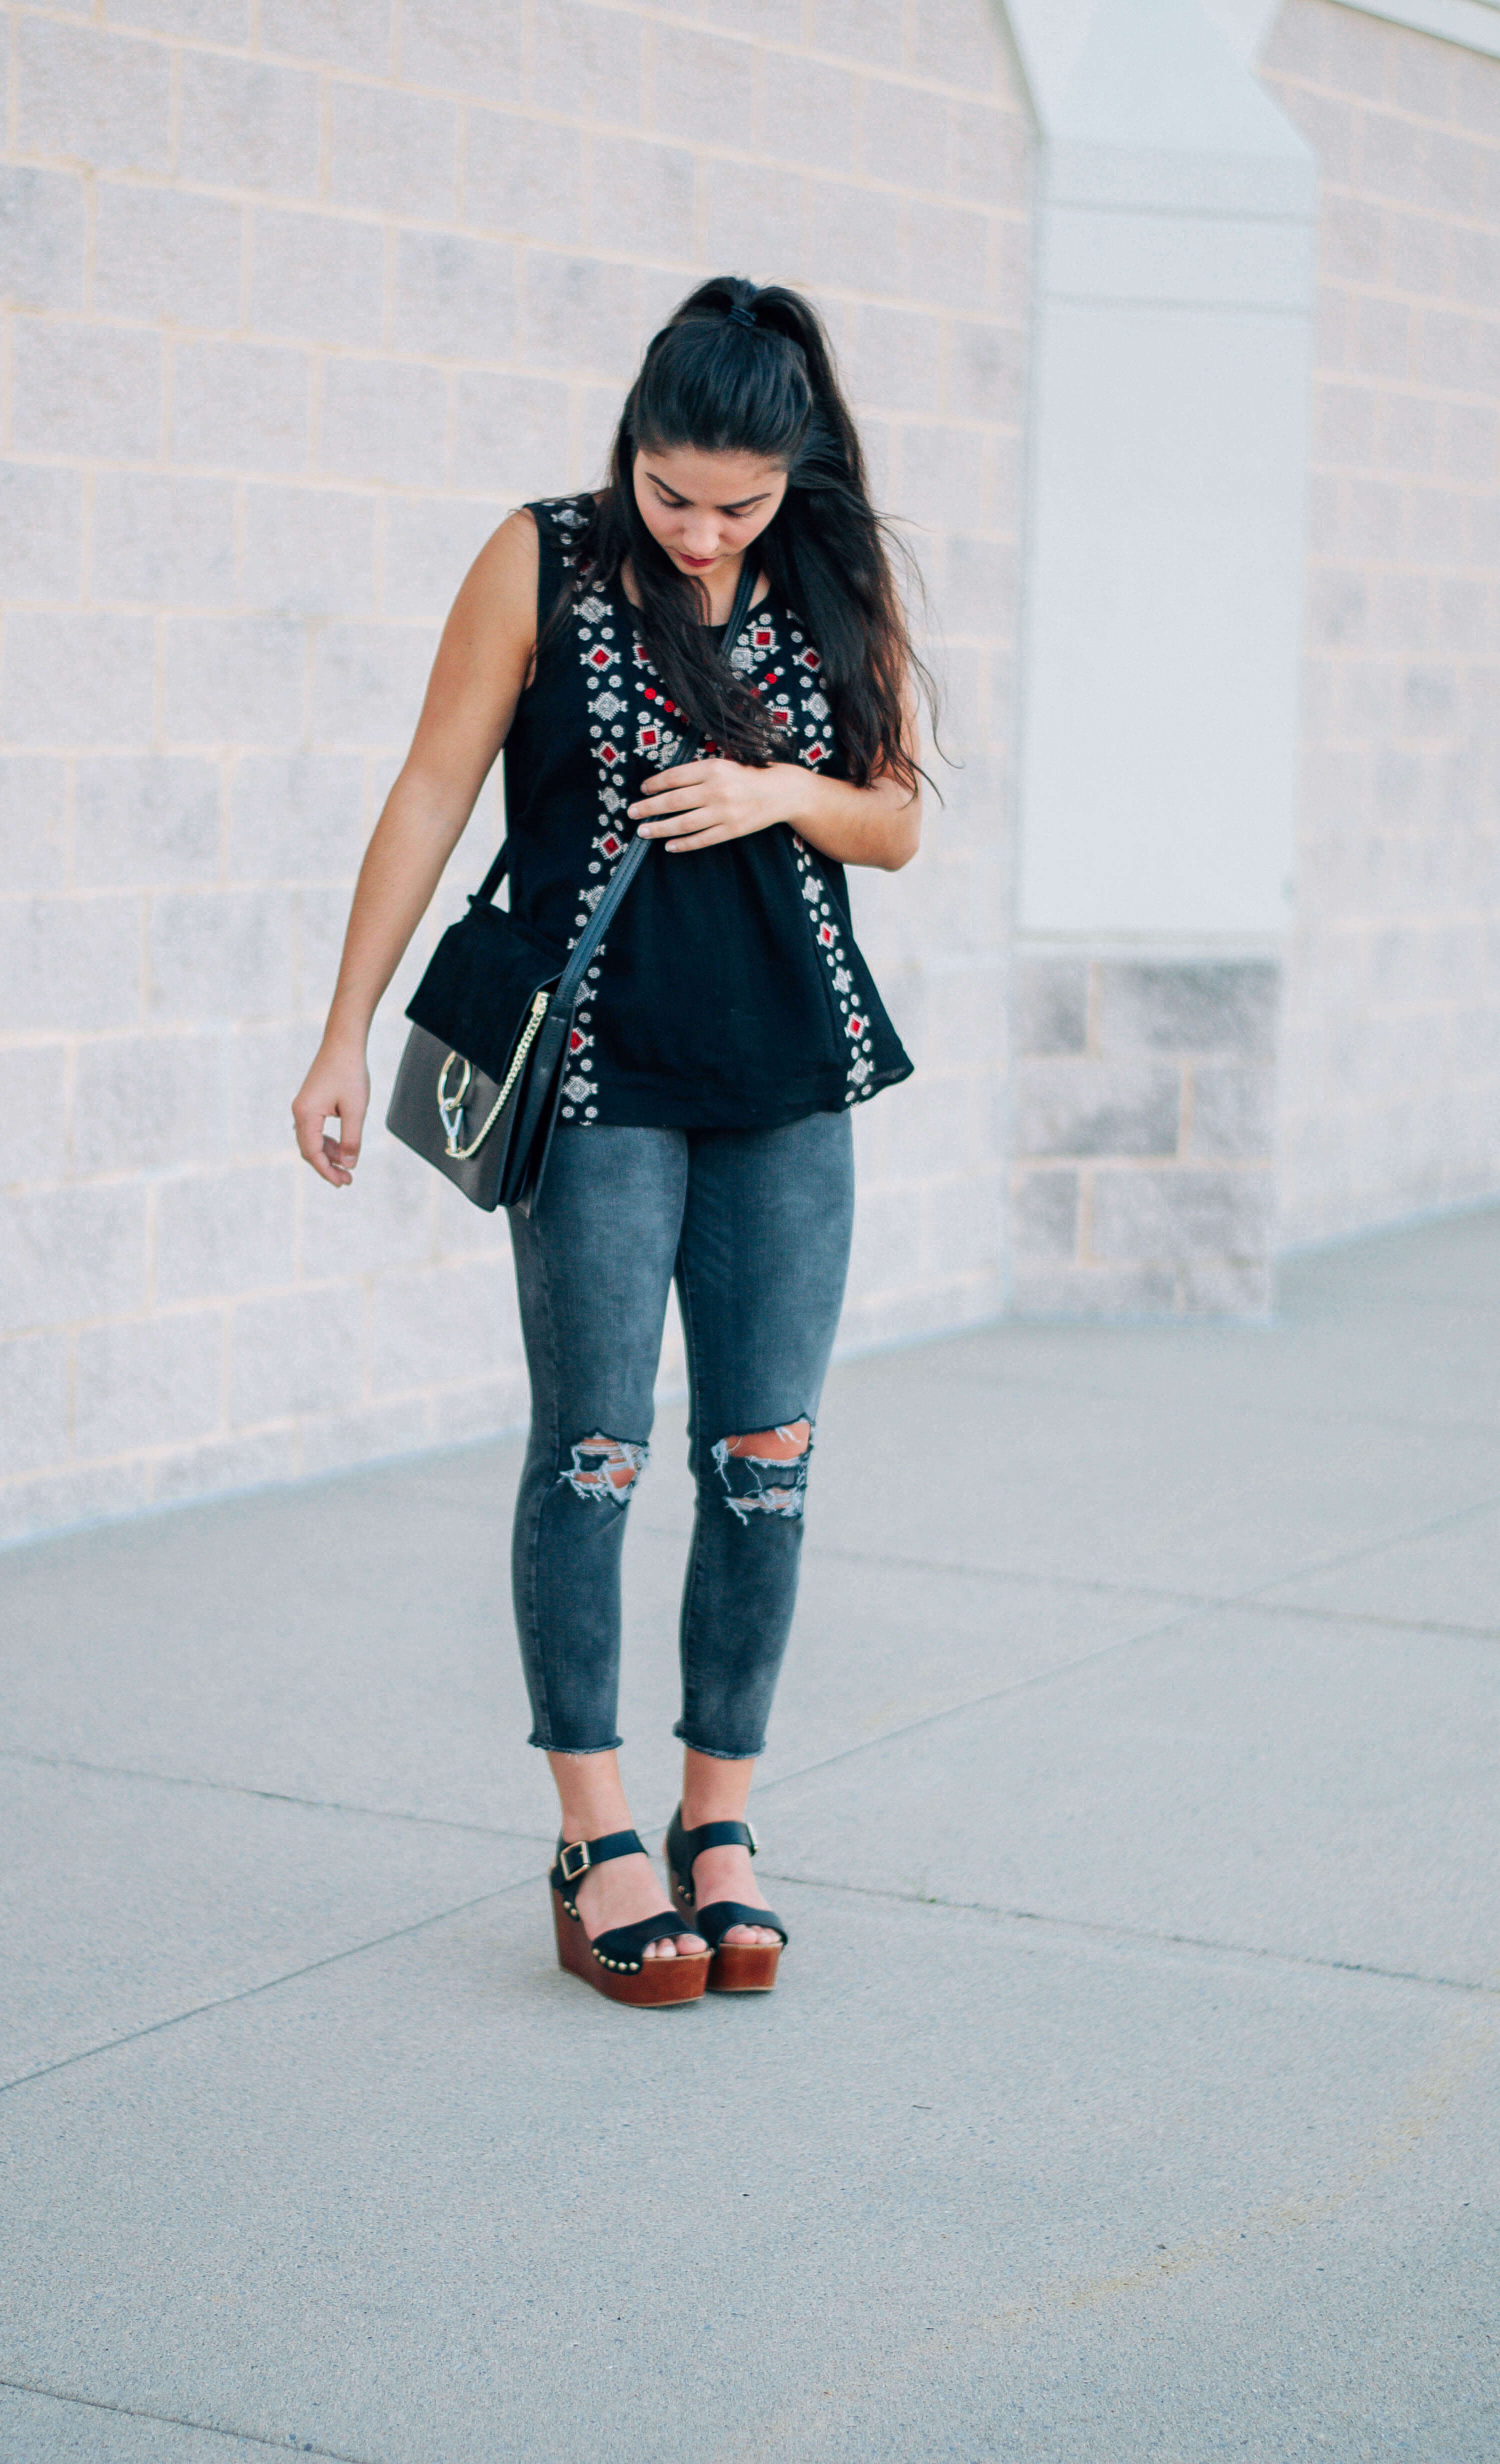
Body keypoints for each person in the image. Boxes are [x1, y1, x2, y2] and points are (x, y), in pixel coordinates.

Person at [294, 276, 926, 2008]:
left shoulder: (826, 571)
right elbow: (432, 788)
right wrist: (343, 1031)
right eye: (676, 496)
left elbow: (898, 820)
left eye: (743, 503)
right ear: (628, 449)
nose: (709, 535)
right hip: (595, 1086)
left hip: (790, 1086)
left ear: (793, 475)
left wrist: (776, 791)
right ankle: (596, 1835)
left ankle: (722, 1822)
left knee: (767, 1462)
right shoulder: (544, 560)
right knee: (594, 1454)